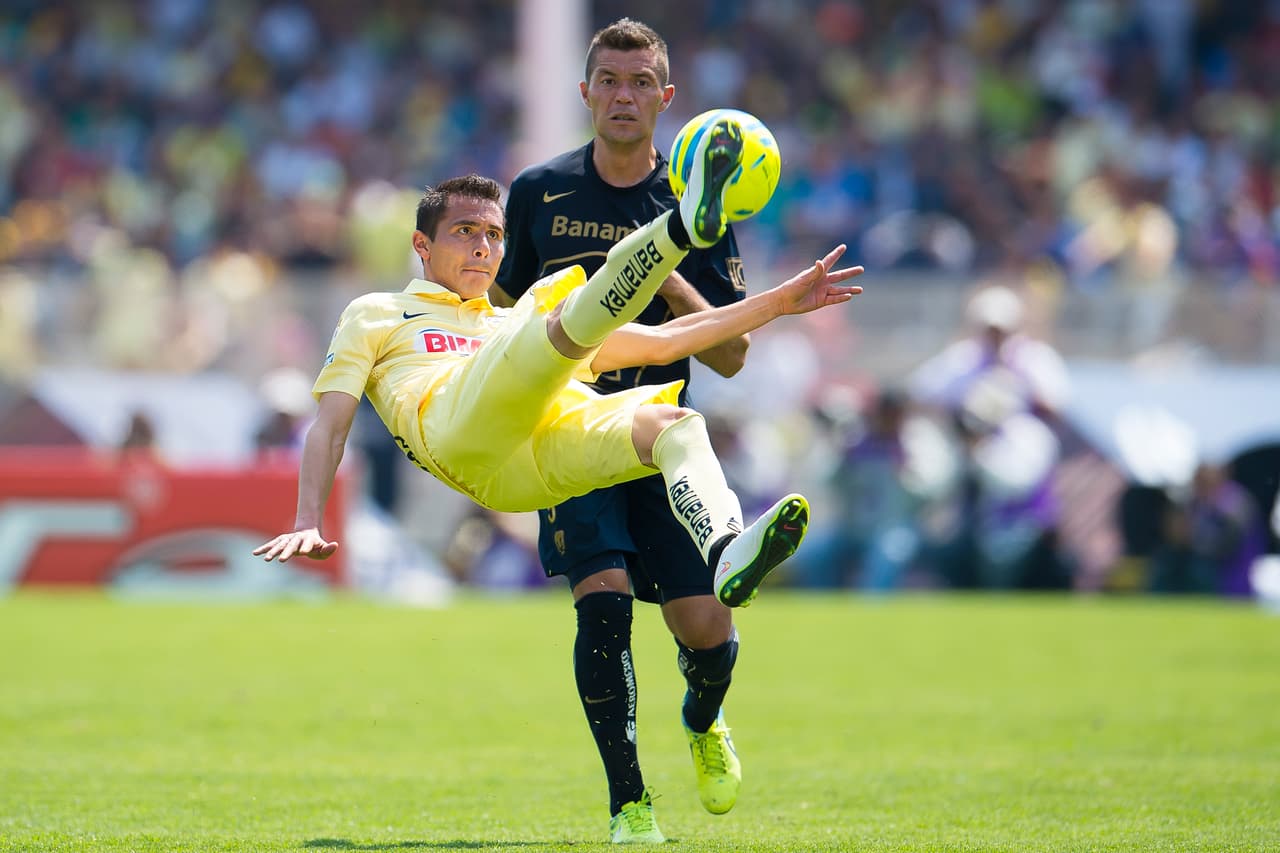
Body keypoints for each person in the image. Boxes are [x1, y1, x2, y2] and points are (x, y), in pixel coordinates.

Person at [253, 119, 864, 842]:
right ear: (422, 245)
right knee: (554, 303)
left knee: (671, 422)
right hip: (458, 425)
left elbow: (666, 341)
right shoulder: (379, 313)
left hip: (537, 452)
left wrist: (780, 303)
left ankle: (727, 544)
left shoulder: (504, 322)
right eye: (463, 233)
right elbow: (328, 423)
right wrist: (306, 513)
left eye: (492, 235)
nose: (483, 247)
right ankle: (679, 225)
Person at [490, 19, 757, 841]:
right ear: (585, 92)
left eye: (641, 82)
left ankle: (704, 713)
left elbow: (736, 356)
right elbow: (496, 317)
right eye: (609, 80)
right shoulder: (539, 191)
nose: (624, 96)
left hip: (660, 442)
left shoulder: (693, 205)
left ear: (665, 99)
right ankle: (629, 804)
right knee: (600, 606)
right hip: (570, 437)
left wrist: (666, 269)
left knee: (707, 631)